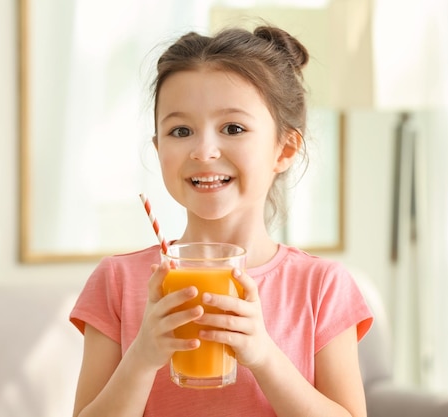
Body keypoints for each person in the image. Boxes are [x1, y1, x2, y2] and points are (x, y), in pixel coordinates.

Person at [69, 25, 373, 417]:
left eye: (233, 128)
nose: (204, 151)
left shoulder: (321, 288)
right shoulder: (117, 283)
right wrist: (142, 356)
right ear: (159, 148)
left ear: (285, 149)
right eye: (181, 131)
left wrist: (264, 356)